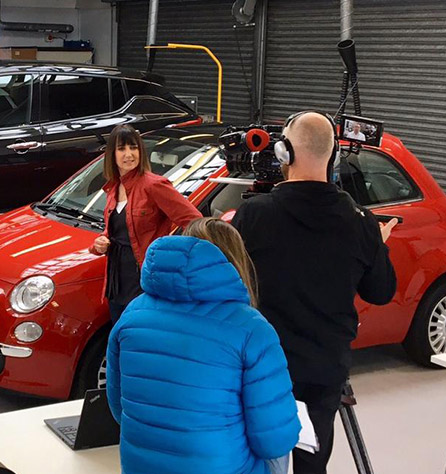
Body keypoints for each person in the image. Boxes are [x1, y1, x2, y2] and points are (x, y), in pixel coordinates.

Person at [232, 111, 397, 474]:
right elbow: (381, 292)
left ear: (283, 153)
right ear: (334, 155)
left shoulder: (254, 215)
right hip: (324, 369)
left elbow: (233, 287)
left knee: (257, 460)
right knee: (311, 464)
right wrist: (377, 246)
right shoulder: (360, 222)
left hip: (264, 367)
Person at [106, 217, 299, 474]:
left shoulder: (132, 314)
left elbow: (119, 409)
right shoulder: (252, 328)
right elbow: (274, 441)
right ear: (236, 261)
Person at [89, 124, 202, 323]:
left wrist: (174, 254)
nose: (129, 154)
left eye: (133, 147)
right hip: (116, 280)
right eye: (122, 148)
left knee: (141, 335)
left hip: (144, 279)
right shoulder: (114, 187)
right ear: (111, 154)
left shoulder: (154, 184)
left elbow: (195, 221)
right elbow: (117, 228)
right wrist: (100, 242)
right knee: (121, 335)